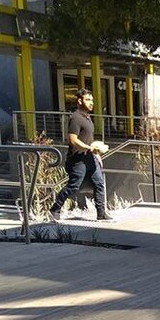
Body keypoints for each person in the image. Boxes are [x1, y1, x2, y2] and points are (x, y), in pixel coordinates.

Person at [50, 88, 112, 221]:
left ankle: (101, 213)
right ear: (80, 100)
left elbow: (87, 138)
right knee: (74, 186)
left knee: (99, 184)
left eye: (92, 100)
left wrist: (96, 154)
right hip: (78, 159)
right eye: (88, 99)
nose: (91, 103)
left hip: (90, 157)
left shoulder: (88, 118)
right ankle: (55, 209)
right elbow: (72, 139)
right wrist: (89, 148)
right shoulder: (76, 118)